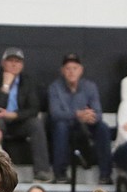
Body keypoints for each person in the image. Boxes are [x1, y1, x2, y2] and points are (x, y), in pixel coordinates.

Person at [0, 48, 53, 181]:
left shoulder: (28, 81)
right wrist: (5, 85)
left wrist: (14, 115)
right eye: (10, 61)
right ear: (3, 63)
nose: (14, 64)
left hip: (18, 121)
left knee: (36, 124)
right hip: (0, 121)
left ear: (22, 65)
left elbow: (34, 109)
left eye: (17, 61)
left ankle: (42, 170)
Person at [48, 52, 113, 185]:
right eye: (68, 69)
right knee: (60, 126)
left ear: (81, 70)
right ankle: (60, 174)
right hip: (65, 126)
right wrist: (77, 115)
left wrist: (90, 117)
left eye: (75, 68)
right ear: (62, 71)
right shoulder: (55, 87)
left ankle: (105, 175)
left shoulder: (90, 86)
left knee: (103, 127)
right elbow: (55, 114)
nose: (71, 72)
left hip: (85, 126)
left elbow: (98, 113)